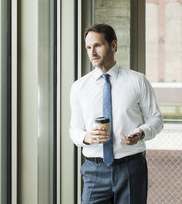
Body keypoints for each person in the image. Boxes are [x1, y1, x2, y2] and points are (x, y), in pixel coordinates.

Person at [69, 23, 163, 204]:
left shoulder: (137, 81)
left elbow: (156, 119)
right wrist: (87, 137)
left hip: (130, 167)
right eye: (88, 47)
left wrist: (141, 132)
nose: (92, 53)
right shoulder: (79, 87)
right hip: (94, 170)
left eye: (97, 45)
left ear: (113, 45)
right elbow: (74, 129)